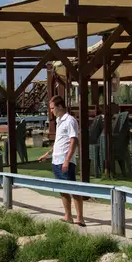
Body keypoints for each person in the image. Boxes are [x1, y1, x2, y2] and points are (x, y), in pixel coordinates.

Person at [39, 95, 85, 227]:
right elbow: (59, 141)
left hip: (66, 161)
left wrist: (67, 160)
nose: (51, 111)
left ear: (59, 107)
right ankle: (68, 216)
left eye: (52, 108)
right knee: (62, 189)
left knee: (73, 188)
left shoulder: (70, 121)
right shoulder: (59, 120)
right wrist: (47, 154)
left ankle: (80, 218)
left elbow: (73, 141)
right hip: (56, 160)